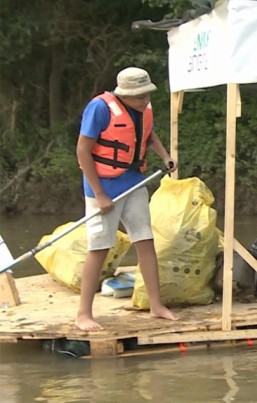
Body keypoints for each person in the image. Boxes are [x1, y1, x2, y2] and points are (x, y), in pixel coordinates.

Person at [75, 67, 179, 331]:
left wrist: (165, 155)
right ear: (123, 94)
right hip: (103, 187)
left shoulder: (144, 108)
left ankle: (156, 305)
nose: (144, 100)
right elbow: (83, 151)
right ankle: (83, 314)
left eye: (146, 95)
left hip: (134, 181)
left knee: (145, 240)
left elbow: (148, 134)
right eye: (138, 96)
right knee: (99, 247)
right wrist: (99, 194)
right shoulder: (100, 109)